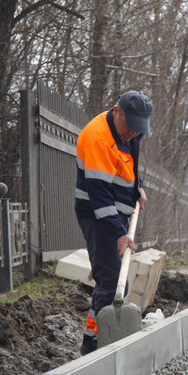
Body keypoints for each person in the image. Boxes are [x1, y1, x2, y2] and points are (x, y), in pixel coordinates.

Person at [75, 91, 152, 355]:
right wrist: (119, 234)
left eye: (138, 129)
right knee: (111, 281)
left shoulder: (131, 131)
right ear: (116, 111)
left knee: (114, 281)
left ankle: (96, 340)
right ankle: (91, 343)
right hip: (97, 215)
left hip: (118, 212)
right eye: (129, 127)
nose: (133, 134)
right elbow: (99, 197)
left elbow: (131, 164)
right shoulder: (98, 139)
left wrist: (137, 186)